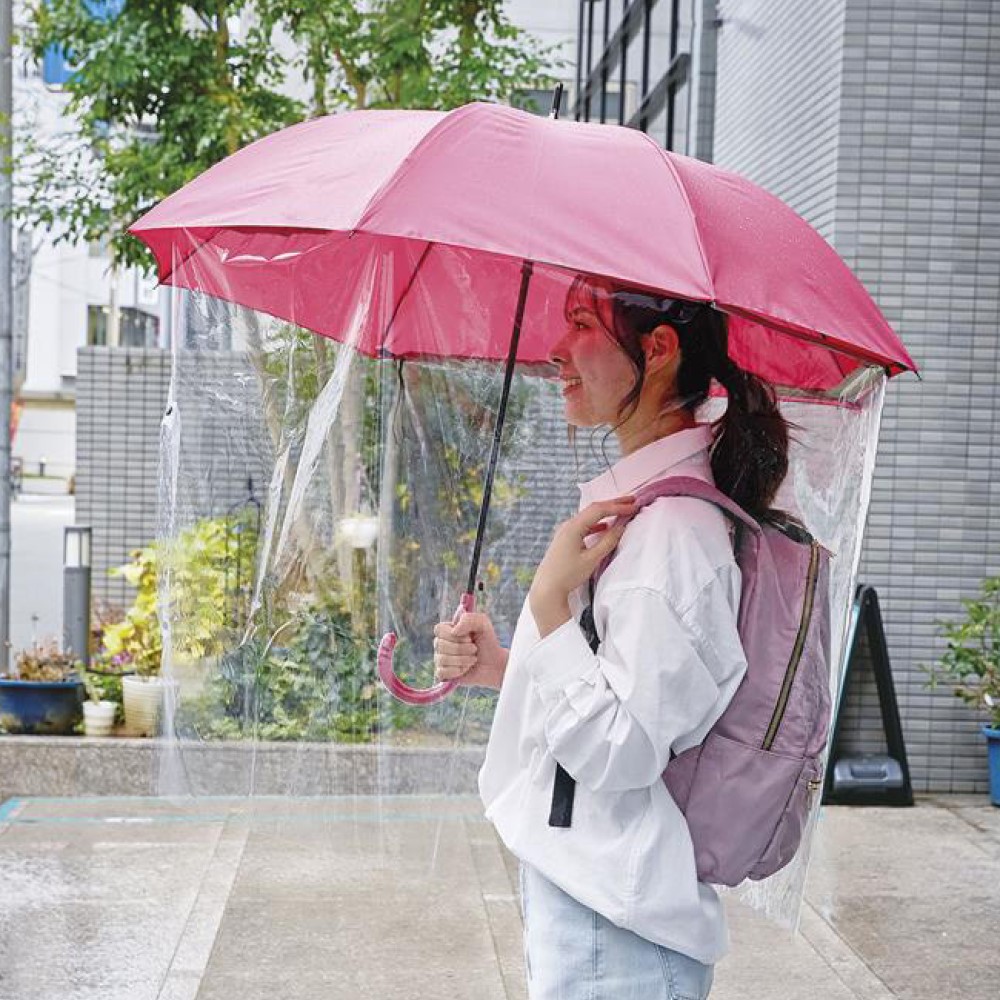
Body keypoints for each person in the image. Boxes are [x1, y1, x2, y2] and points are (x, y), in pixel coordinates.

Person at [432, 275, 790, 999]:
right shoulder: (644, 512)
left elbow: (622, 750)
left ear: (656, 350)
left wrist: (550, 604)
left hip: (616, 930)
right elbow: (626, 689)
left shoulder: (673, 539)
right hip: (594, 903)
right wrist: (507, 666)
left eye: (581, 324)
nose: (557, 351)